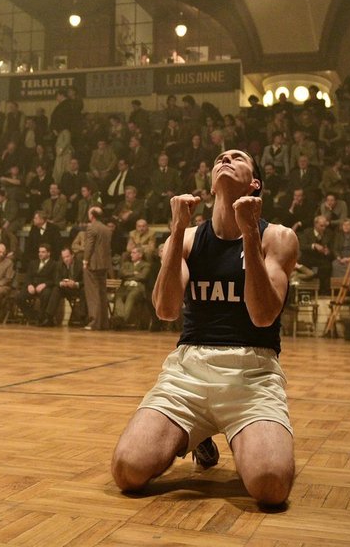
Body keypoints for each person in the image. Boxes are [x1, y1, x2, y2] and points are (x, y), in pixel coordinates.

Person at [110, 148, 299, 506]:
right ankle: (197, 434)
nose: (225, 159)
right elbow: (165, 310)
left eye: (237, 157)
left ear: (254, 183)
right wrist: (177, 228)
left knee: (270, 486)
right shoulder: (187, 238)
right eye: (219, 158)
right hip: (188, 372)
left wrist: (249, 235)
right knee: (127, 470)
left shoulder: (277, 237)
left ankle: (246, 433)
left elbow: (262, 316)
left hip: (252, 374)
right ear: (210, 183)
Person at [82, 206, 113, 331]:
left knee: (93, 294)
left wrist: (85, 260)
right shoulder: (107, 229)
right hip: (104, 264)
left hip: (93, 264)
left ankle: (94, 322)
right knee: (102, 293)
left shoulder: (91, 227)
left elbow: (89, 246)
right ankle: (103, 323)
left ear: (92, 215)